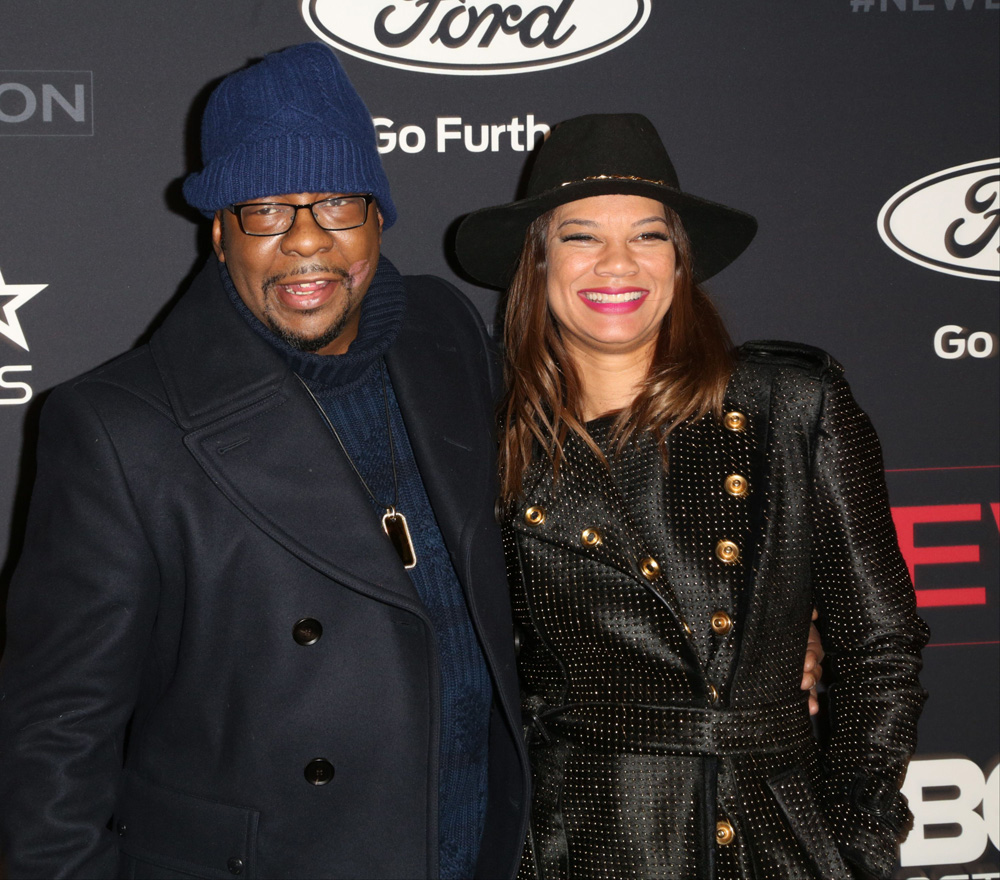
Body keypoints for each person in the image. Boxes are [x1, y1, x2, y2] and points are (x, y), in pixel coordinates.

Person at [0, 44, 531, 879]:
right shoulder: (118, 428)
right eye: (267, 211)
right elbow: (54, 747)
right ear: (218, 232)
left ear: (378, 217)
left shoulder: (446, 334)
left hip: (476, 851)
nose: (307, 241)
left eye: (335, 204)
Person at [454, 114, 928, 880]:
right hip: (582, 843)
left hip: (772, 842)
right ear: (536, 263)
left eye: (648, 236)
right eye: (580, 237)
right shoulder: (482, 443)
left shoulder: (792, 407)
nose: (618, 265)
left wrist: (854, 841)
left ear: (681, 261)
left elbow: (880, 646)